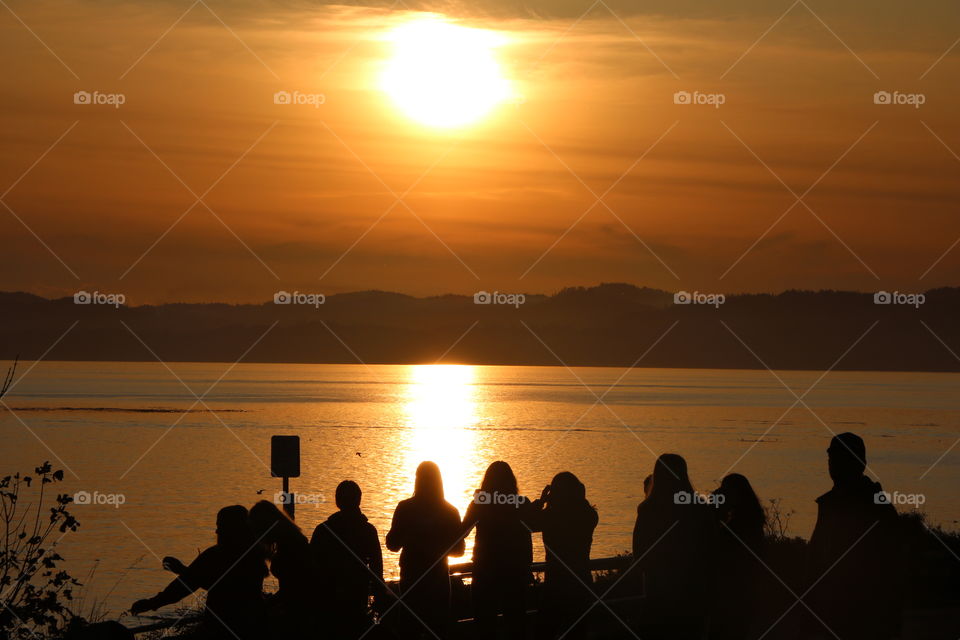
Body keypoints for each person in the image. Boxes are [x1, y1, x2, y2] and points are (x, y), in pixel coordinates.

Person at [805, 433, 900, 640]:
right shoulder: (829, 504)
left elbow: (891, 564)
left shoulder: (876, 507)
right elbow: (816, 557)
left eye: (840, 459)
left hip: (862, 612)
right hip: (830, 610)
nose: (833, 465)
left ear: (858, 463)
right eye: (832, 459)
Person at [130, 505, 267, 639]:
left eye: (220, 526)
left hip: (221, 628)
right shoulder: (256, 555)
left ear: (231, 529)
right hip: (254, 625)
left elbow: (188, 584)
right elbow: (217, 582)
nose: (217, 532)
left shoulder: (215, 555)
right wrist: (184, 571)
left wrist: (152, 603)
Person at [632, 453, 715, 639]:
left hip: (658, 595)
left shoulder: (647, 510)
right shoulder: (699, 508)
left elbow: (640, 555)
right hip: (693, 595)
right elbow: (710, 550)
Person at [386, 461, 464, 639]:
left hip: (411, 581)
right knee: (438, 631)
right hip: (439, 583)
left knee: (409, 630)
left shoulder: (405, 508)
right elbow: (459, 550)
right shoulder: (450, 511)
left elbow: (392, 544)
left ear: (417, 480)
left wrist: (412, 538)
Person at [461, 461, 535, 640]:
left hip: (485, 573)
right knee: (516, 626)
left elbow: (462, 531)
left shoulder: (479, 504)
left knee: (485, 628)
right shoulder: (521, 503)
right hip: (515, 574)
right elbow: (533, 526)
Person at [528, 471, 598, 640]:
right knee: (578, 632)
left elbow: (528, 522)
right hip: (582, 580)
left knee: (544, 631)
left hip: (556, 581)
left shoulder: (551, 516)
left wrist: (541, 501)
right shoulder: (588, 515)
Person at [311, 480, 384, 638]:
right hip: (356, 597)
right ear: (359, 500)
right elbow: (377, 569)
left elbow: (311, 567)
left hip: (328, 600)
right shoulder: (368, 531)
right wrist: (380, 597)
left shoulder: (323, 530)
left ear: (337, 501)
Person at [709, 473, 766, 640]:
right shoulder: (751, 522)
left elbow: (716, 550)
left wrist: (715, 513)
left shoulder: (740, 527)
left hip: (733, 598)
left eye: (726, 490)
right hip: (744, 595)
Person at [248, 500, 316, 635]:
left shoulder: (290, 546)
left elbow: (295, 588)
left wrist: (269, 604)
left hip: (300, 611)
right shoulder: (289, 540)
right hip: (298, 605)